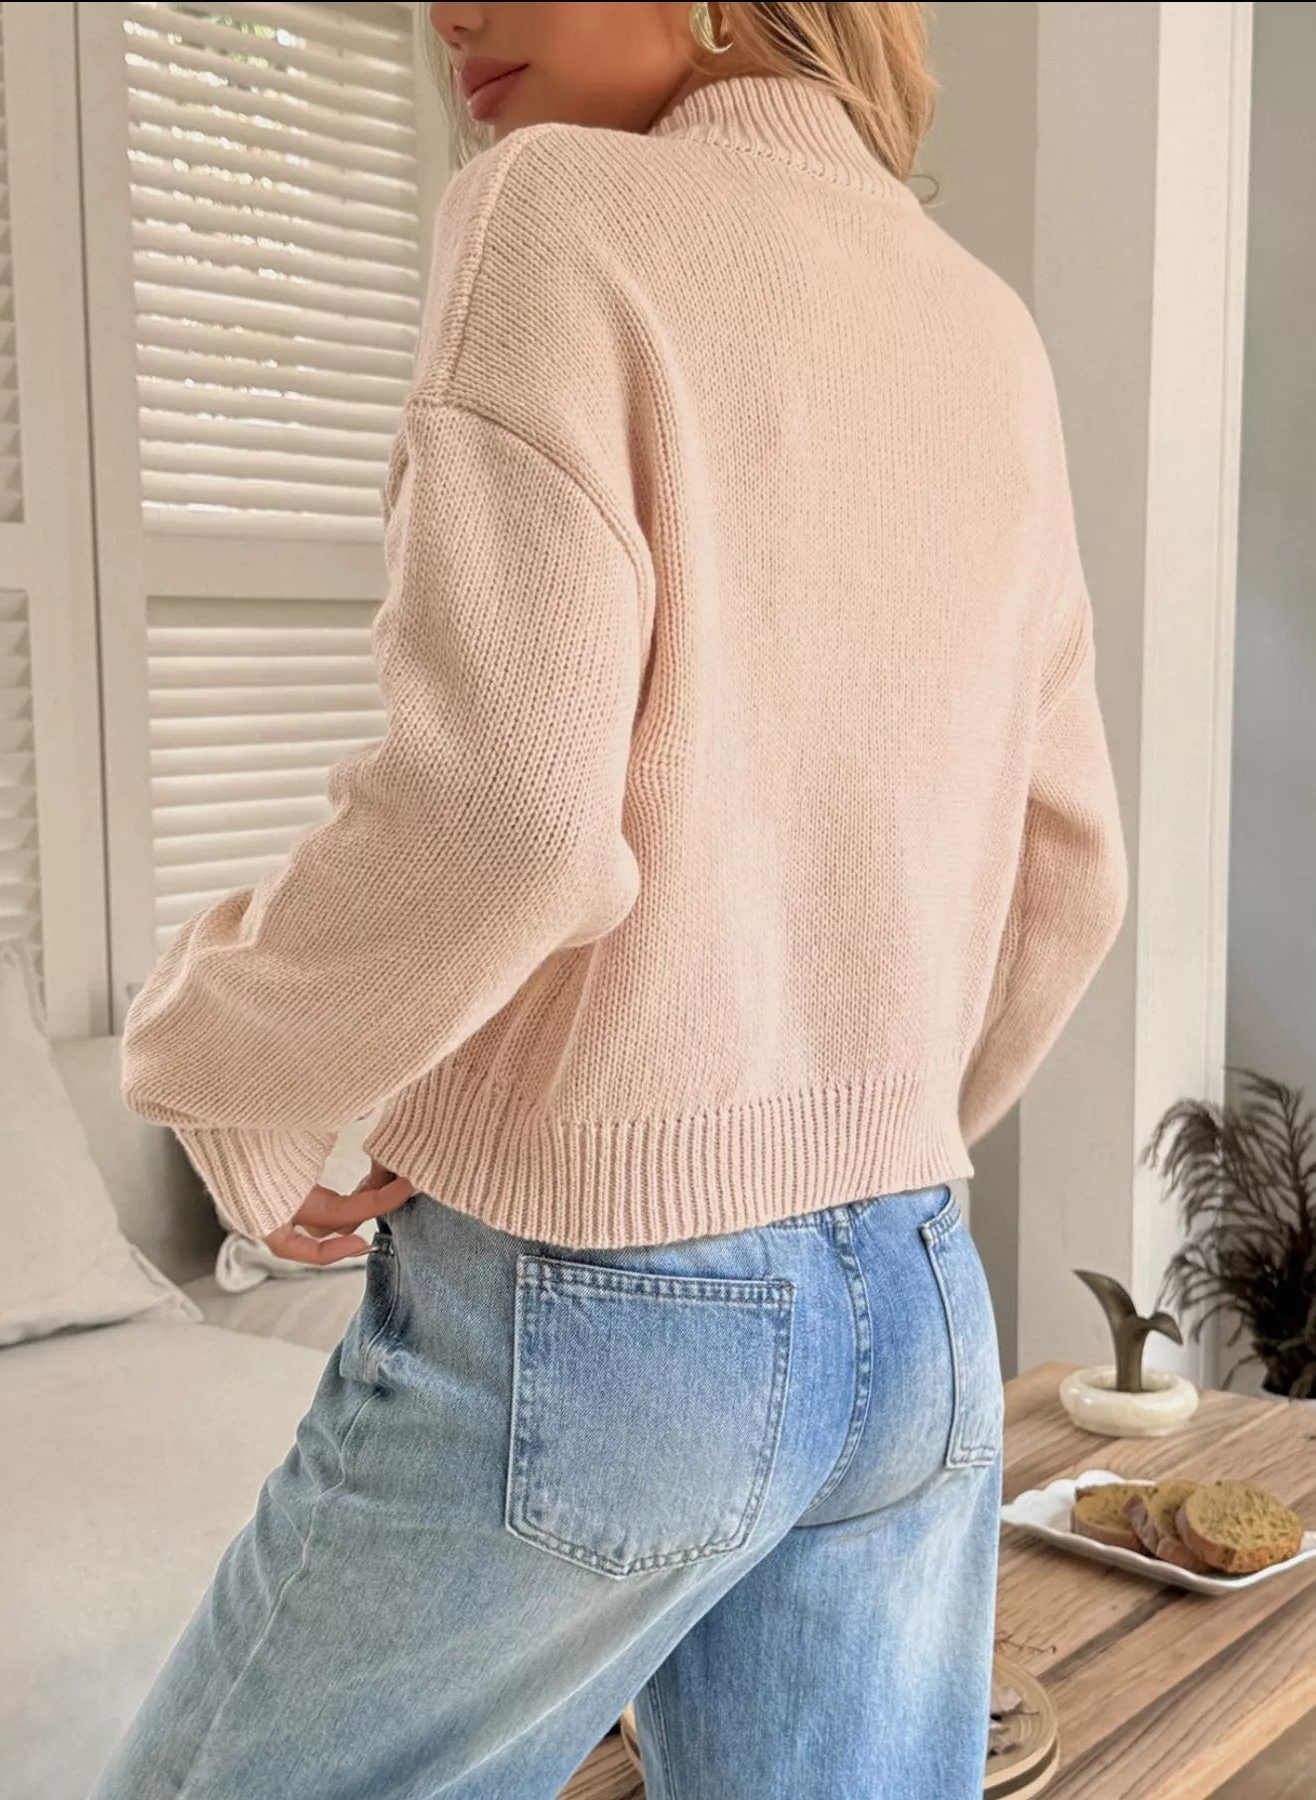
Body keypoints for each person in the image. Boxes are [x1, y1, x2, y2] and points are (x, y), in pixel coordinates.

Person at [94, 4, 1127, 1796]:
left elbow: (501, 812)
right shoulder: (983, 321)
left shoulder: (556, 208)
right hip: (916, 1303)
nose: (447, 13)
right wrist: (842, 1143)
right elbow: (1069, 868)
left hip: (617, 1316)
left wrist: (215, 1055)